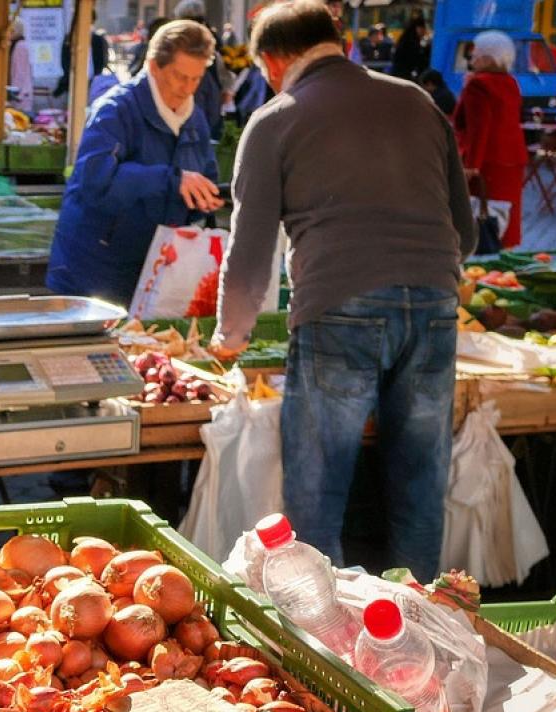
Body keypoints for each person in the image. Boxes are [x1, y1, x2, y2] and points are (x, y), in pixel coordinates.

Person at [213, 0, 476, 579]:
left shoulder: (277, 116)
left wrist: (229, 337)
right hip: (435, 306)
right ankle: (422, 634)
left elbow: (250, 249)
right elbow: (468, 231)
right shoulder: (418, 102)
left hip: (340, 309)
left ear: (275, 62)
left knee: (317, 492)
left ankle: (324, 647)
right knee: (419, 486)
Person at [47, 20, 222, 304]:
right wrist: (172, 180)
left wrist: (203, 199)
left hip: (154, 269)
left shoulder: (196, 120)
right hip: (92, 272)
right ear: (154, 66)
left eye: (196, 78)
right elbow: (96, 182)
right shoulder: (115, 111)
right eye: (180, 76)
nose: (187, 88)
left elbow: (205, 176)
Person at [454, 31, 527, 248]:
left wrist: (471, 166)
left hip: (486, 161)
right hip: (512, 158)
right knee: (506, 218)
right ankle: (505, 260)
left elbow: (479, 128)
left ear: (488, 57)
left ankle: (484, 264)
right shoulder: (511, 82)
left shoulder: (478, 84)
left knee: (481, 218)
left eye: (475, 54)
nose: (472, 59)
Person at [169, 0, 233, 141]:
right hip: (209, 102)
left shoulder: (177, 41)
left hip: (195, 101)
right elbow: (225, 78)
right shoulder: (211, 37)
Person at [54, 27, 110, 98]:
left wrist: (97, 73)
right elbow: (64, 60)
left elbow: (102, 58)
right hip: (74, 79)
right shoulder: (69, 38)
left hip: (92, 80)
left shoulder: (97, 39)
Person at [6, 22, 35, 113]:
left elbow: (20, 72)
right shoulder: (17, 45)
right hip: (20, 92)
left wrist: (15, 93)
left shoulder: (20, 46)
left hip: (20, 94)